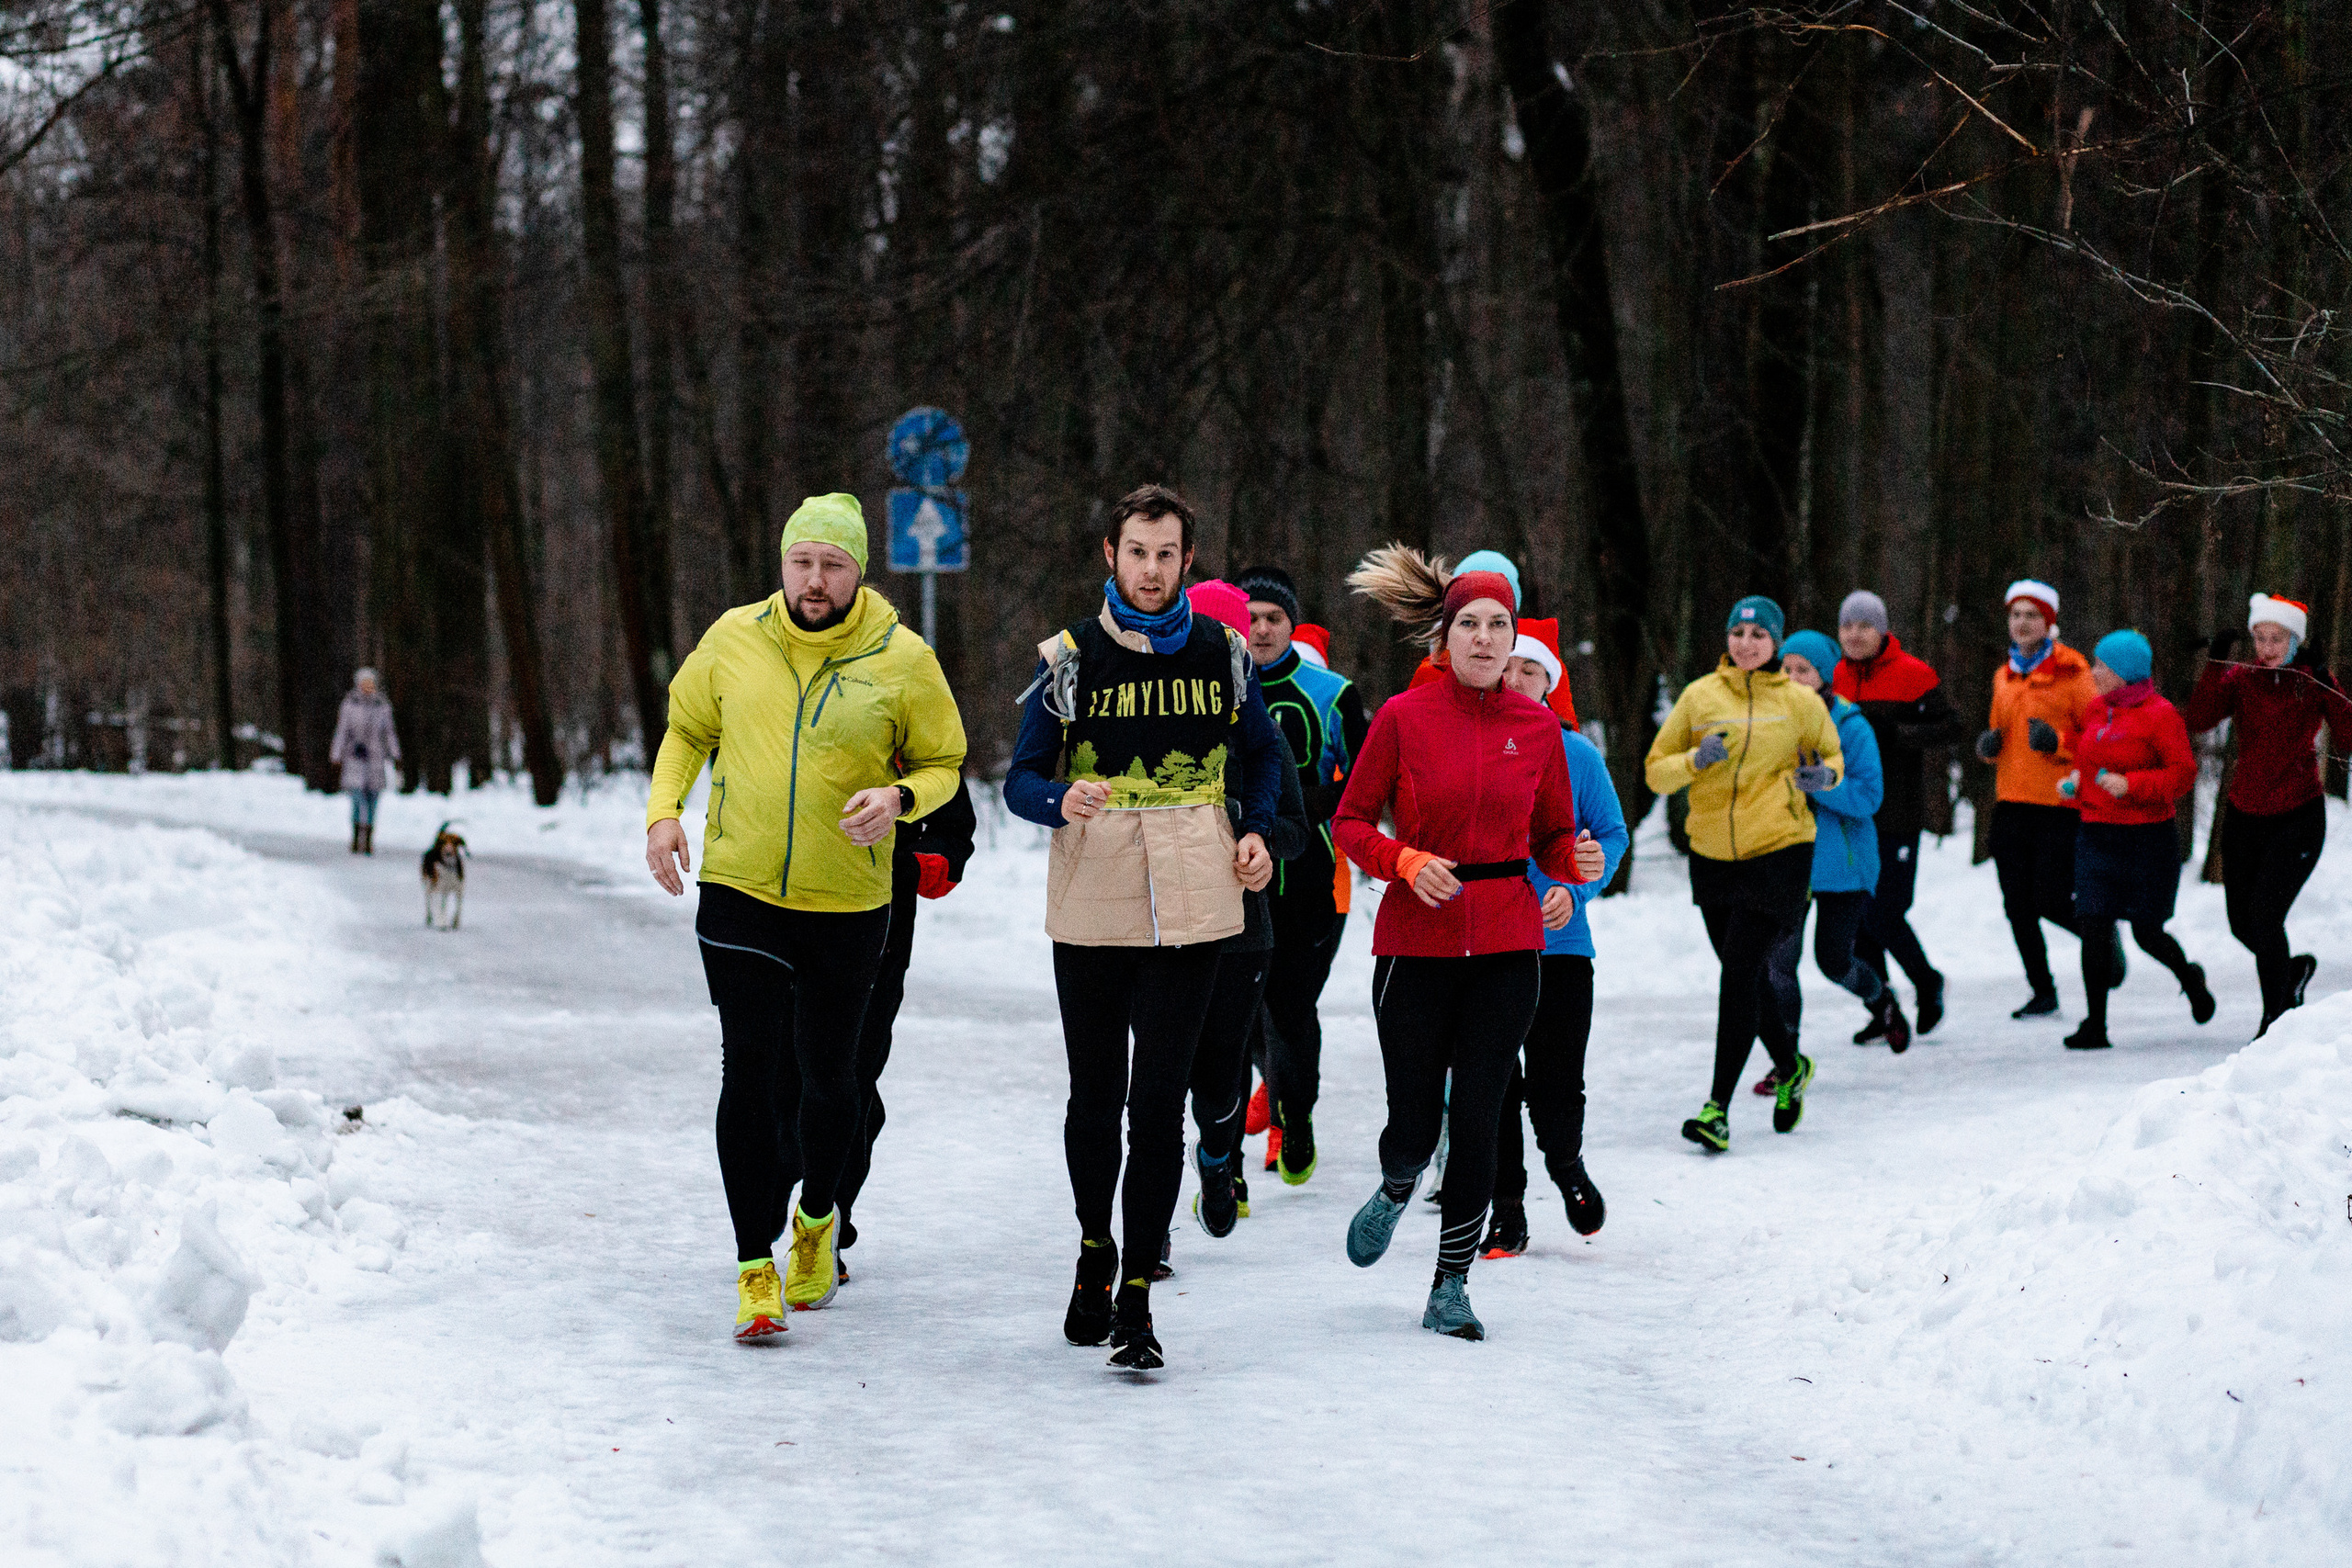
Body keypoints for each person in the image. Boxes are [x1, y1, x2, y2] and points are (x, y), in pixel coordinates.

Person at [644, 493, 967, 1341]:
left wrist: (900, 798)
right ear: (782, 564)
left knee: (832, 1078)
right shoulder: (732, 639)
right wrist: (663, 812)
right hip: (741, 890)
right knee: (746, 1072)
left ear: (859, 570)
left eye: (832, 564)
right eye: (801, 562)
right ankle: (755, 1267)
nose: (814, 580)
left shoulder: (902, 658)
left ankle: (818, 1218)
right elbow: (685, 730)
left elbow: (945, 762)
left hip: (848, 903)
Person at [1001, 484, 1285, 1371]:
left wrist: (1257, 830)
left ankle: (1136, 1298)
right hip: (1094, 895)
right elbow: (1017, 778)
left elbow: (1266, 755)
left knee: (1157, 1104)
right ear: (1111, 557)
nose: (1152, 570)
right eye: (1137, 553)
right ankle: (1094, 1250)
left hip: (1198, 899)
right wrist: (1059, 796)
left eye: (1167, 554)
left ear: (1188, 561)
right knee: (1096, 1100)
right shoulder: (1070, 658)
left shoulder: (1223, 653)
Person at [1332, 547, 1601, 1341]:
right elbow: (1350, 823)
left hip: (1510, 948)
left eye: (1499, 626)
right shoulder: (1402, 719)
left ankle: (1451, 1283)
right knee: (1416, 1121)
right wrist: (1405, 861)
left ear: (1515, 639)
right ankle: (1396, 1181)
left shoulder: (1538, 728)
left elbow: (1554, 834)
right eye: (1470, 626)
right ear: (1444, 640)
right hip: (1415, 944)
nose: (1485, 640)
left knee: (1483, 1114)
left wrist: (1571, 863)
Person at [1645, 595, 1845, 1154]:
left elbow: (1833, 758)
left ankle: (1717, 1110)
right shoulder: (1699, 696)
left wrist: (1820, 778)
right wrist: (1694, 762)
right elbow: (1656, 773)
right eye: (1739, 632)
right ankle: (1791, 1064)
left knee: (1737, 973)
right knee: (1749, 978)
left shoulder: (1800, 702)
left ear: (1776, 642)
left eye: (1760, 634)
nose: (1748, 642)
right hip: (1712, 855)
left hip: (1779, 849)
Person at [1481, 628, 1626, 1258]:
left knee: (1554, 1082)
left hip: (1561, 946)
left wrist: (1577, 888)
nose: (1514, 678)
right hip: (1484, 943)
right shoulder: (1473, 744)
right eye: (1505, 668)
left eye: (1528, 669)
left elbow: (1613, 834)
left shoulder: (1576, 753)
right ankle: (1506, 1210)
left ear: (1550, 681)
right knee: (1491, 1086)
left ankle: (1566, 1165)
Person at [1180, 581, 1309, 1245]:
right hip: (1158, 929)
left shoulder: (1254, 727)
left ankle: (1218, 1159)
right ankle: (1155, 1228)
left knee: (1223, 1067)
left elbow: (1296, 827)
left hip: (1240, 932)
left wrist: (1259, 847)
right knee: (1158, 1080)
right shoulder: (1146, 714)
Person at [1233, 564, 1369, 1185]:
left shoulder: (1332, 693)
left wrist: (1300, 806)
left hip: (1313, 883)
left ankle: (1298, 1115)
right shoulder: (1212, 688)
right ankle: (1248, 1130)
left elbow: (1368, 784)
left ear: (1293, 624)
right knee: (1240, 1014)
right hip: (1235, 882)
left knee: (1291, 1008)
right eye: (1251, 617)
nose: (1260, 629)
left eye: (1273, 619)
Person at [831, 773, 978, 1279]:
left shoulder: (909, 711)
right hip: (781, 910)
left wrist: (915, 863)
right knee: (787, 1074)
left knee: (852, 1074)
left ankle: (828, 1215)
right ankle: (782, 1201)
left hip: (882, 916)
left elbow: (953, 826)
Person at [2187, 594, 2352, 1035]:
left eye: (2275, 638)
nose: (2266, 647)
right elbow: (2200, 719)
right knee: (2242, 923)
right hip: (2245, 814)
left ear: (2294, 639)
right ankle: (2291, 972)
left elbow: (2348, 737)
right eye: (2259, 638)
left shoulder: (2311, 679)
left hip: (2298, 815)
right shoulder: (2242, 679)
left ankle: (2275, 1020)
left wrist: (2325, 682)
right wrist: (2217, 663)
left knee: (2264, 915)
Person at [1752, 631, 1909, 1097]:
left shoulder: (1851, 725)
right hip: (1787, 859)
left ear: (1825, 676)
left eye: (1805, 670)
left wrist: (1825, 783)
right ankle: (1788, 1060)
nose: (1794, 678)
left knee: (1833, 960)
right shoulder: (1771, 719)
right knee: (1780, 962)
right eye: (1787, 668)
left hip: (1843, 863)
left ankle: (1881, 1000)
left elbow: (1870, 797)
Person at [2060, 629, 2215, 1050]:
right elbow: (2086, 757)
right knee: (2094, 925)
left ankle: (2190, 979)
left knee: (2147, 932)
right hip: (2096, 833)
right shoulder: (2095, 710)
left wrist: (2132, 785)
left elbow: (2183, 774)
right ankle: (2096, 1024)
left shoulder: (2161, 715)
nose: (2094, 671)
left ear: (2125, 673)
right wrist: (2077, 782)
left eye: (2102, 666)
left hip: (2147, 838)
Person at [1830, 591, 1961, 1036]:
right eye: (1847, 626)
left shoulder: (1914, 675)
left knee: (1884, 911)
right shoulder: (1831, 677)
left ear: (1882, 630)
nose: (1855, 635)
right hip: (1847, 814)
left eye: (1864, 626)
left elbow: (1950, 727)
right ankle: (1883, 1010)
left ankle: (1927, 981)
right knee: (1857, 917)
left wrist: (1898, 732)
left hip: (1898, 812)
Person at [1975, 581, 2101, 1017]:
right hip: (2010, 802)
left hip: (2058, 805)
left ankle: (2099, 936)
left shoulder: (2075, 673)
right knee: (2016, 905)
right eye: (2016, 615)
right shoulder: (2004, 675)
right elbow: (2001, 734)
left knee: (2049, 899)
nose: (2023, 623)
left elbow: (2100, 738)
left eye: (2032, 615)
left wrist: (2060, 743)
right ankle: (2042, 990)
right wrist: (1989, 748)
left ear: (2049, 622)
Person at [330, 670, 399, 855]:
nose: (368, 686)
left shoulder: (382, 705)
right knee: (357, 798)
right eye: (364, 683)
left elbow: (389, 732)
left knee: (373, 799)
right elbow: (342, 730)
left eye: (370, 683)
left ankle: (368, 837)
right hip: (355, 757)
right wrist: (337, 754)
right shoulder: (350, 704)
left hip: (376, 758)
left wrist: (394, 753)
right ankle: (356, 834)